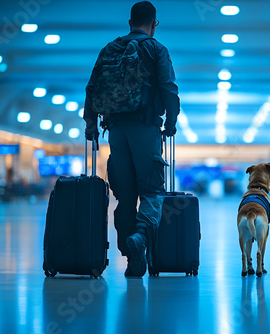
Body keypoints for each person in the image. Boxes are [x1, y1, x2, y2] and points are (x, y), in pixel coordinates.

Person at [83, 1, 180, 277]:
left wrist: (91, 125)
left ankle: (131, 257)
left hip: (115, 130)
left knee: (125, 197)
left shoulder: (110, 49)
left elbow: (91, 89)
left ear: (129, 23)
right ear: (153, 24)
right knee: (152, 191)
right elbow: (169, 89)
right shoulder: (156, 48)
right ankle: (140, 238)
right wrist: (170, 123)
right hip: (146, 129)